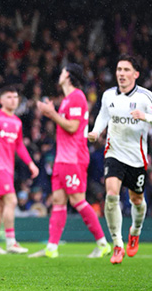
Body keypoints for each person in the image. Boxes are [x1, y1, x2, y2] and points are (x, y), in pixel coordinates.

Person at [88, 55, 152, 264]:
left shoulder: (145, 96)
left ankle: (135, 230)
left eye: (126, 70)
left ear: (136, 74)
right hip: (114, 153)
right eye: (118, 69)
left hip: (137, 158)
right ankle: (117, 244)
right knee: (111, 194)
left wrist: (146, 117)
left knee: (137, 201)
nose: (121, 74)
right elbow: (103, 116)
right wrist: (96, 132)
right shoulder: (108, 95)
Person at [29, 64, 111, 259]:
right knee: (58, 201)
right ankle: (51, 247)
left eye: (62, 71)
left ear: (68, 75)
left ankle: (102, 244)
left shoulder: (76, 97)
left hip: (73, 157)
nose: (59, 74)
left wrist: (51, 113)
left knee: (77, 200)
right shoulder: (67, 99)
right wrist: (52, 111)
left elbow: (73, 127)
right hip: (62, 157)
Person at [0, 86, 39, 255]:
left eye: (15, 97)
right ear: (1, 100)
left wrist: (30, 164)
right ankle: (11, 242)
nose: (13, 99)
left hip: (8, 168)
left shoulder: (17, 122)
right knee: (11, 201)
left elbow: (19, 146)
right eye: (9, 96)